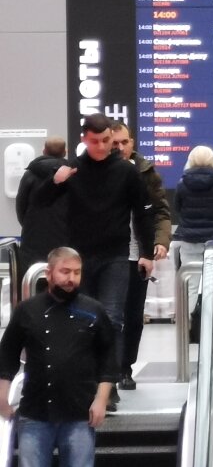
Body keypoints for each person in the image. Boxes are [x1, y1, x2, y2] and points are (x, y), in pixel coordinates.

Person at [0, 247, 118, 467]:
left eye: (76, 273)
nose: (71, 279)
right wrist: (2, 398)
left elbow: (110, 360)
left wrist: (101, 399)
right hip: (35, 412)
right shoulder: (28, 311)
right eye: (65, 272)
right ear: (49, 274)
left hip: (80, 413)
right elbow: (6, 354)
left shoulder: (93, 312)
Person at [36, 114, 155, 412]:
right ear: (84, 140)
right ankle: (88, 382)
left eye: (106, 141)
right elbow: (39, 202)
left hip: (115, 254)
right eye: (95, 141)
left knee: (112, 318)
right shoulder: (73, 170)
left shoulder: (126, 172)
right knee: (82, 319)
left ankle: (108, 384)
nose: (101, 147)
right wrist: (55, 181)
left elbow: (143, 213)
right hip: (81, 257)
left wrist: (147, 252)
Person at [111, 122, 172, 393]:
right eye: (115, 143)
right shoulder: (97, 171)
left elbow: (160, 211)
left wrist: (160, 241)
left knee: (133, 315)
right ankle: (107, 371)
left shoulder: (146, 172)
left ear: (132, 142)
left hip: (138, 254)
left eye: (124, 142)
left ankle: (126, 368)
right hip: (108, 253)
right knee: (108, 314)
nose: (120, 148)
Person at [172, 146, 213, 317]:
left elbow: (177, 208)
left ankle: (188, 325)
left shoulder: (182, 183)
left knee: (191, 284)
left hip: (189, 240)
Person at [15, 136, 69, 276]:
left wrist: (28, 224)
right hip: (64, 239)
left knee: (32, 281)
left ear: (44, 150)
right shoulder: (71, 175)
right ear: (65, 152)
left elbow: (21, 207)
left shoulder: (30, 174)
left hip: (33, 239)